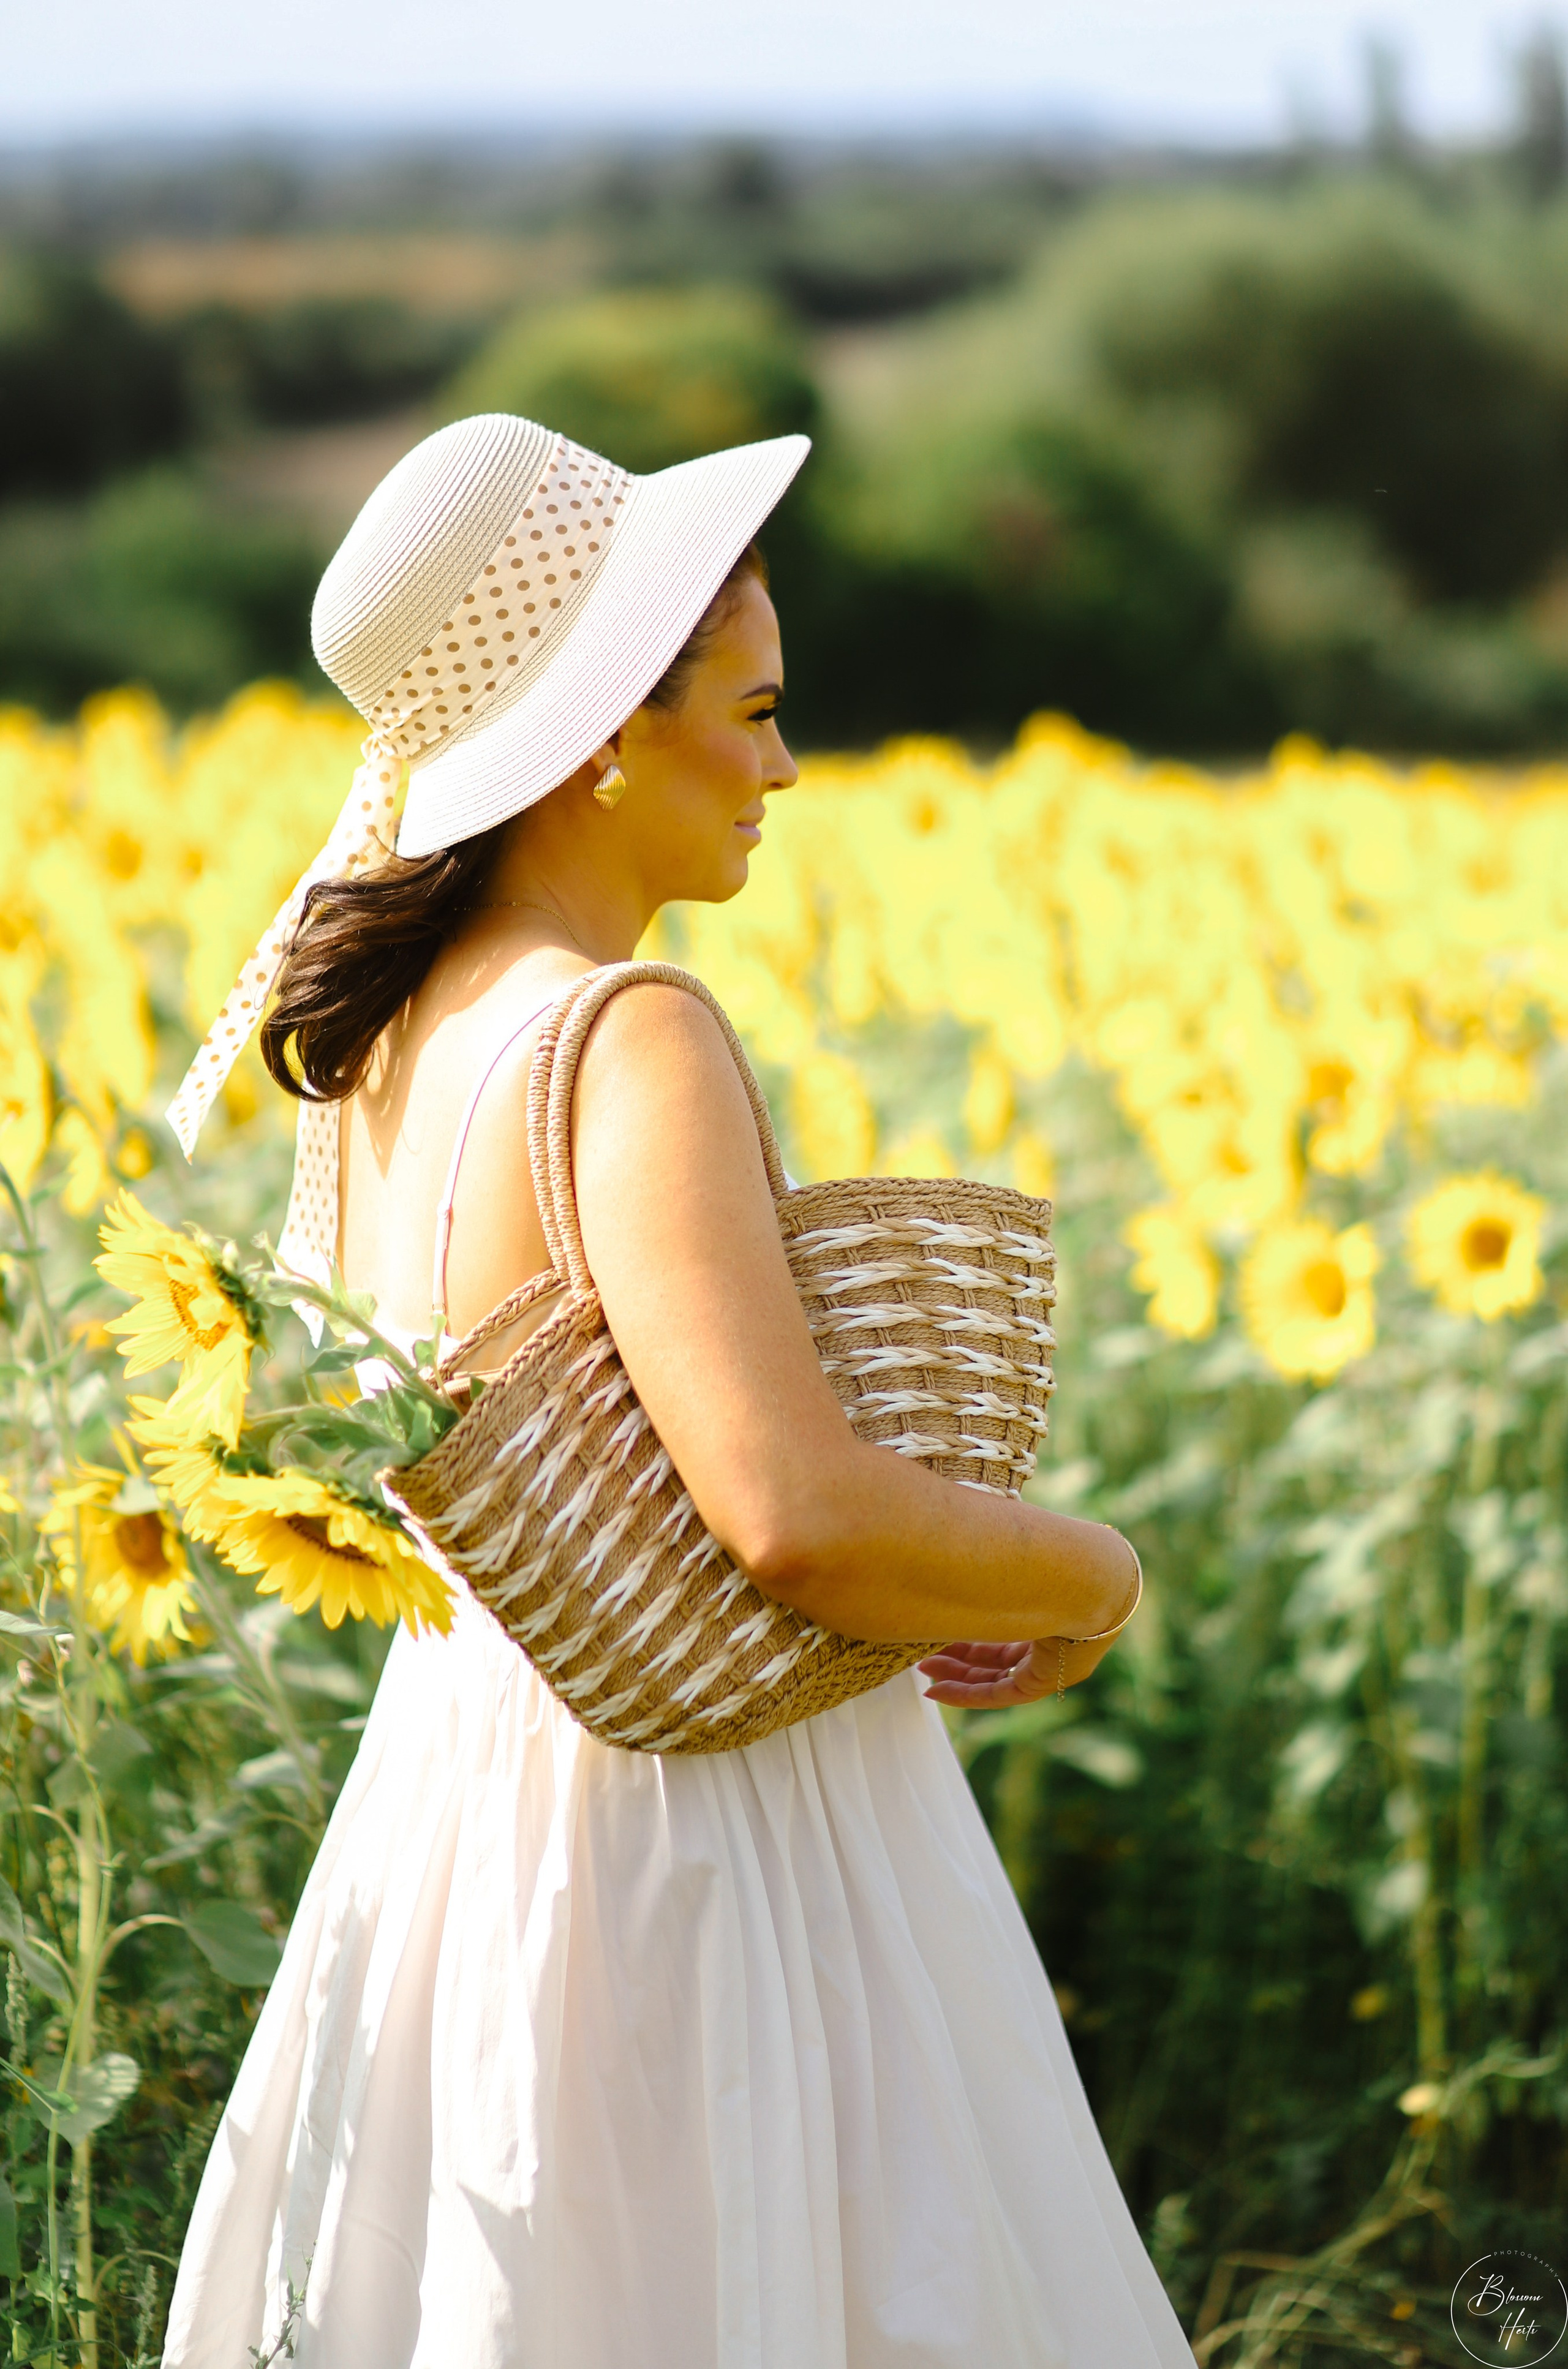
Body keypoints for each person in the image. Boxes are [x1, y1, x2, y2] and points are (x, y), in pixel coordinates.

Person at [160, 415, 1193, 2367]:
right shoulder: (623, 1031)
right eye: (755, 707)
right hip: (704, 1848)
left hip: (460, 1821)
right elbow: (791, 1510)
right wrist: (1090, 1575)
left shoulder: (393, 1043)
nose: (786, 763)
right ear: (609, 729)